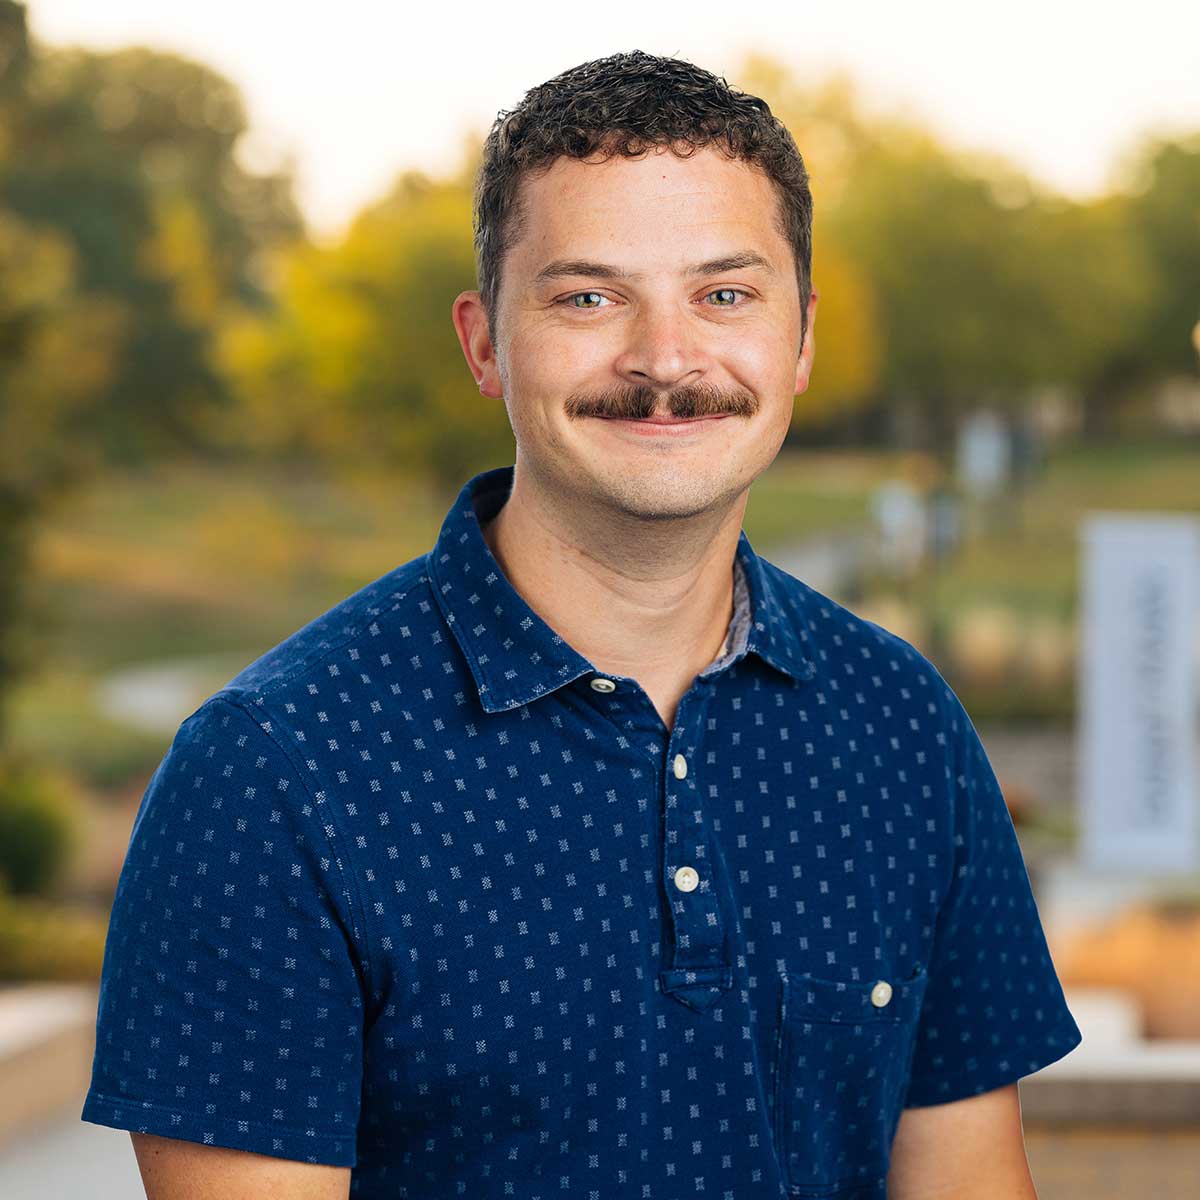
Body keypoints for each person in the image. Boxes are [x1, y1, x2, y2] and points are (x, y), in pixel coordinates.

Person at [81, 49, 1081, 1200]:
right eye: (588, 296)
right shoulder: (274, 773)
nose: (665, 358)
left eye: (724, 294)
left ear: (799, 337)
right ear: (485, 343)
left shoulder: (902, 726)